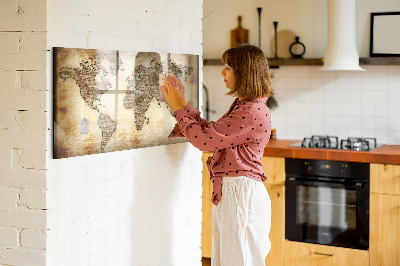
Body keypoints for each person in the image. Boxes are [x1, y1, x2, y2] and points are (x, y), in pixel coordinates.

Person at [161, 44, 273, 266]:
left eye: (228, 67)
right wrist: (183, 104)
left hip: (241, 195)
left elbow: (204, 141)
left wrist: (176, 109)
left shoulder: (250, 111)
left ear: (244, 72)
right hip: (236, 193)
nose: (222, 72)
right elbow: (212, 133)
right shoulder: (246, 106)